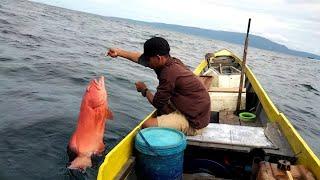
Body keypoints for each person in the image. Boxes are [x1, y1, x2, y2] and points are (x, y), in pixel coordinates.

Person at [106, 37, 210, 136]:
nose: (146, 63)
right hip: (198, 111)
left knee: (146, 125)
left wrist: (144, 90)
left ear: (158, 58)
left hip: (195, 123)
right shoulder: (173, 62)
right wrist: (118, 52)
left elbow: (157, 103)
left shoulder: (168, 74)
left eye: (148, 60)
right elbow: (139, 58)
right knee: (163, 108)